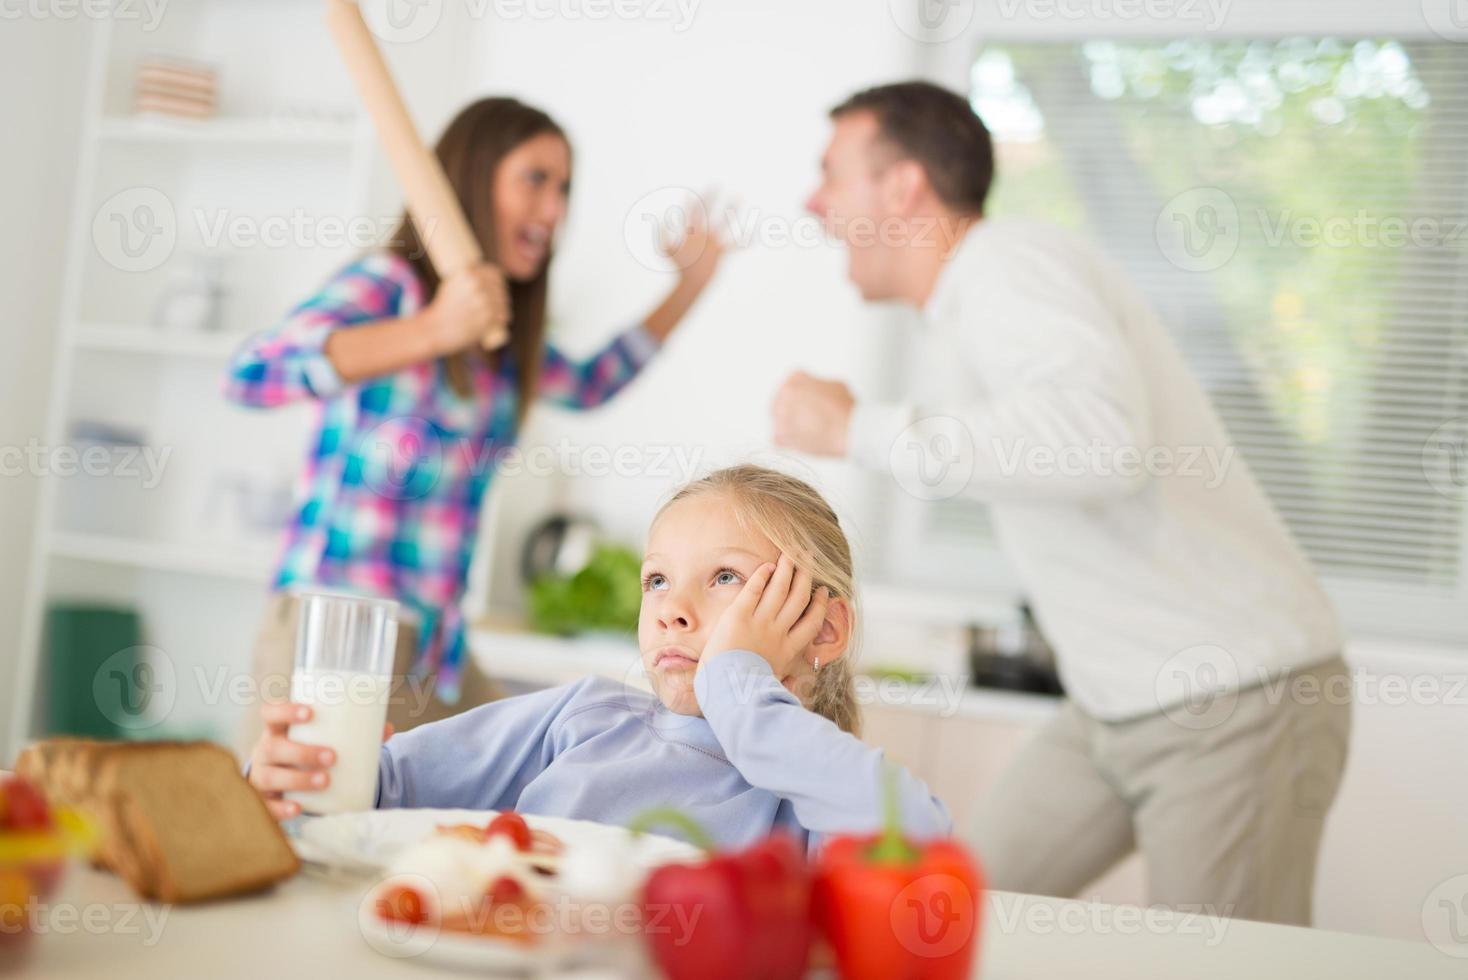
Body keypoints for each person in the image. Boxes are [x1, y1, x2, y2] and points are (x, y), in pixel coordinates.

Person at [771, 81, 1350, 925]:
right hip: (1113, 701)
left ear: (903, 187)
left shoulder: (1006, 264)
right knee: (948, 912)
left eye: (832, 174)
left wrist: (859, 427)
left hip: (1236, 697)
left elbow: (1101, 442)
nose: (812, 202)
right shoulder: (961, 311)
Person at [227, 97, 728, 757]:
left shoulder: (499, 335)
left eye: (564, 188)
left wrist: (687, 288)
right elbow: (253, 373)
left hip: (432, 647)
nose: (554, 209)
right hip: (338, 631)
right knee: (305, 837)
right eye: (535, 180)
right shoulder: (394, 287)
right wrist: (433, 330)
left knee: (534, 774)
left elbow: (590, 382)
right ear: (473, 176)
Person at [246, 465, 950, 846]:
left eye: (726, 579)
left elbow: (920, 836)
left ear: (823, 631)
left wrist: (740, 684)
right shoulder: (584, 717)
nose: (674, 607)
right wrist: (300, 774)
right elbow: (389, 788)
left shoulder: (807, 798)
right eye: (658, 580)